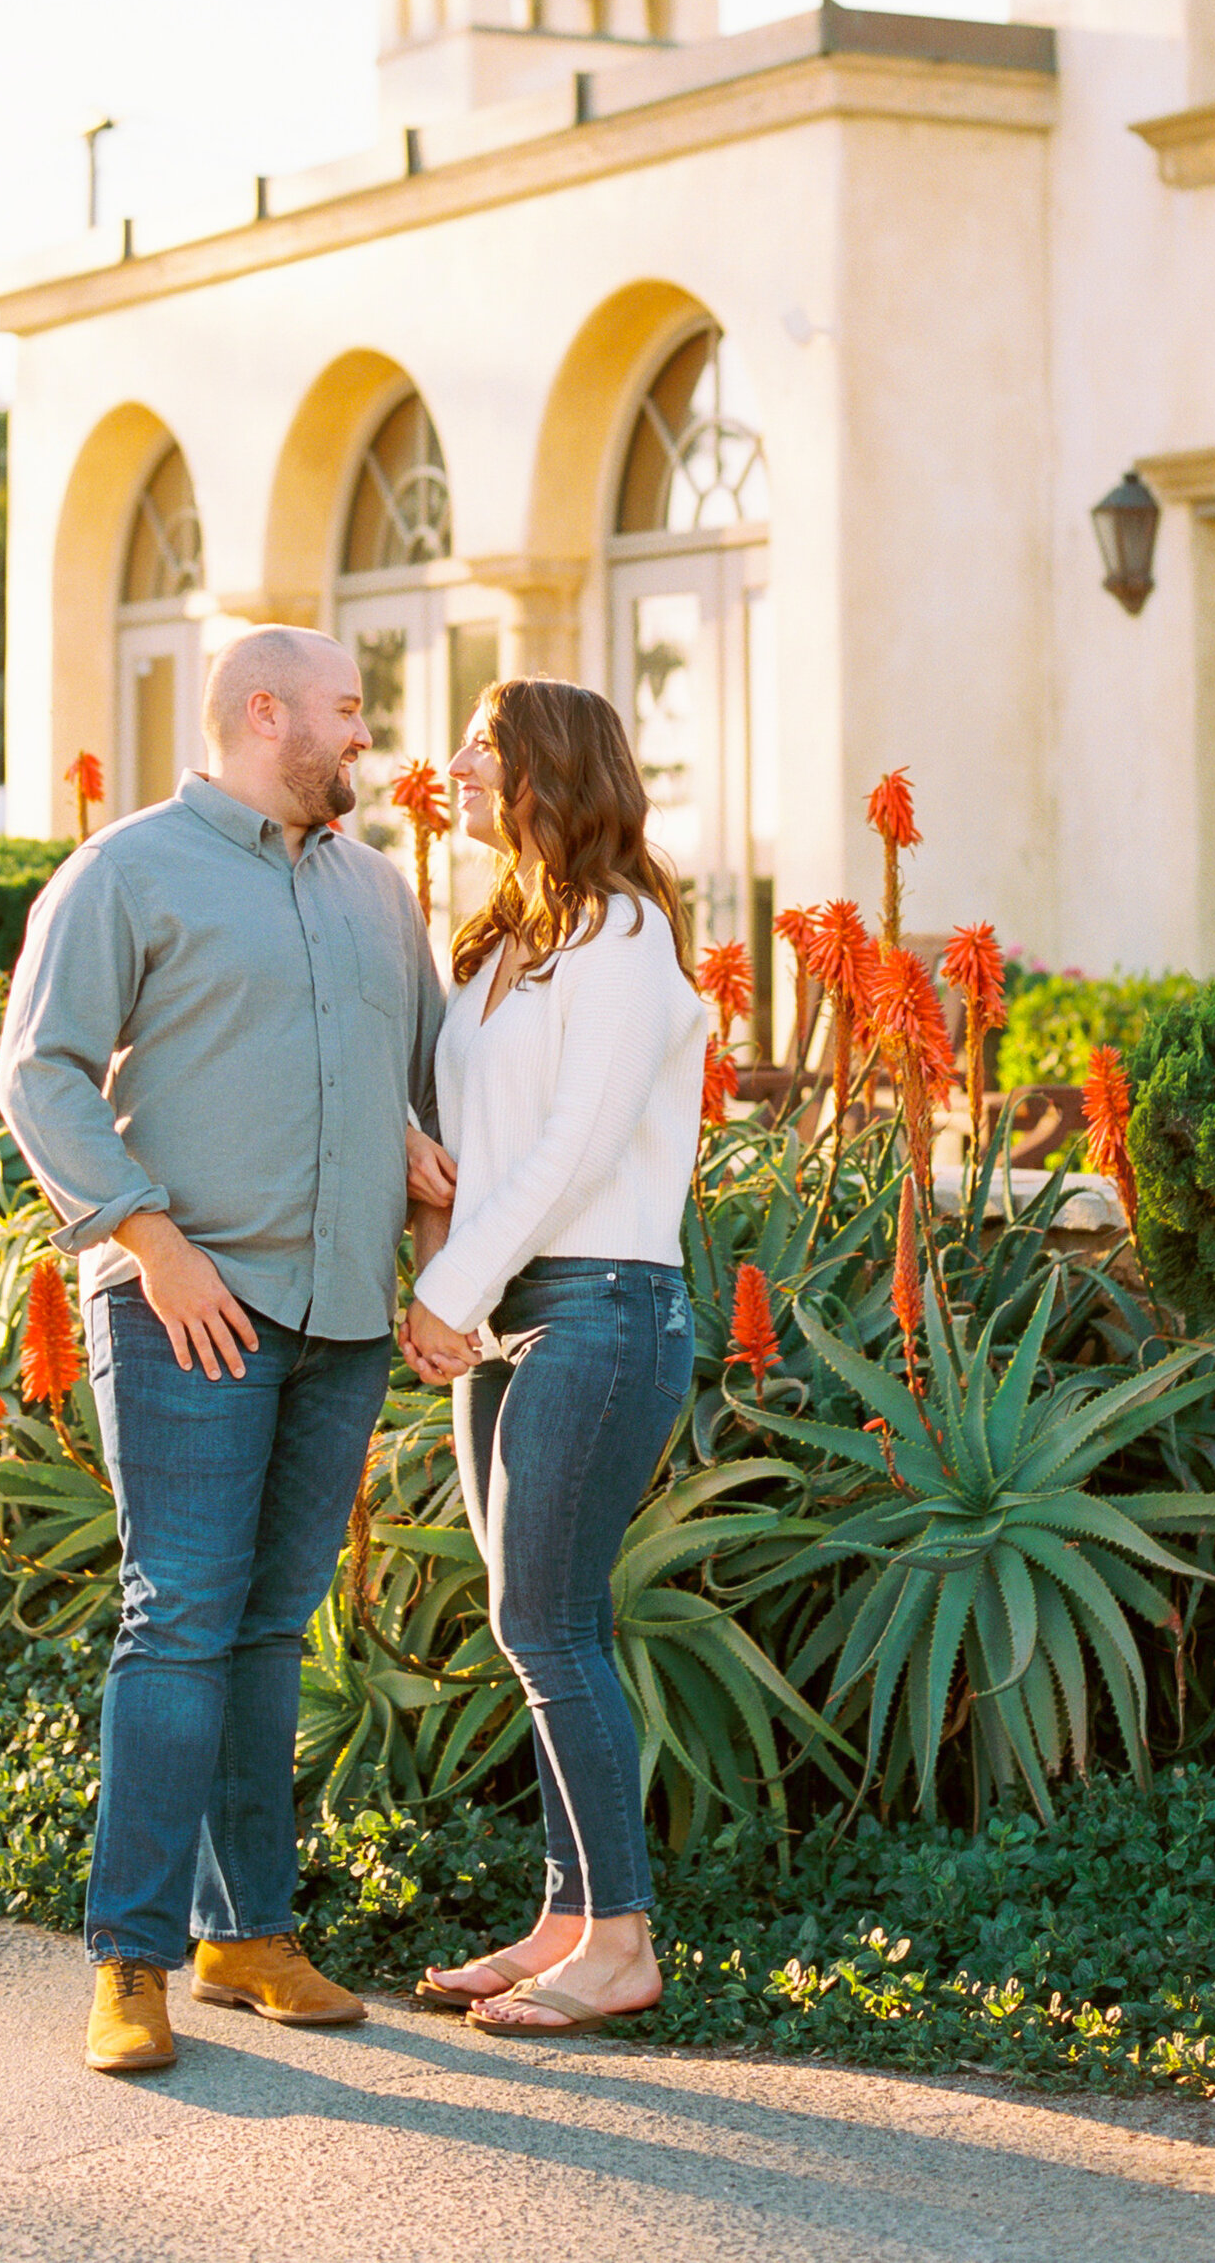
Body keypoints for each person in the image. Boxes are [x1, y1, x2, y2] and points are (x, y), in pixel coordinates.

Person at [0, 624, 446, 2076]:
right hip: (190, 1303)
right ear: (267, 713)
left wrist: (419, 1159)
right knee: (178, 1618)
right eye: (348, 712)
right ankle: (127, 1959)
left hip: (343, 1318)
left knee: (269, 1627)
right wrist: (149, 1238)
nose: (364, 738)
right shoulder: (125, 870)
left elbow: (402, 1071)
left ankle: (245, 1930)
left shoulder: (381, 892)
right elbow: (38, 1069)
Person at [399, 674, 703, 2038]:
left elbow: (572, 1153)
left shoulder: (628, 936)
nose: (455, 760)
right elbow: (471, 1143)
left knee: (543, 1622)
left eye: (486, 742)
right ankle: (567, 1918)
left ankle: (623, 1939)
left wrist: (448, 1289)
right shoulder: (508, 941)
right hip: (513, 1313)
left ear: (551, 771)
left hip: (604, 1303)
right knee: (550, 1624)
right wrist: (435, 1243)